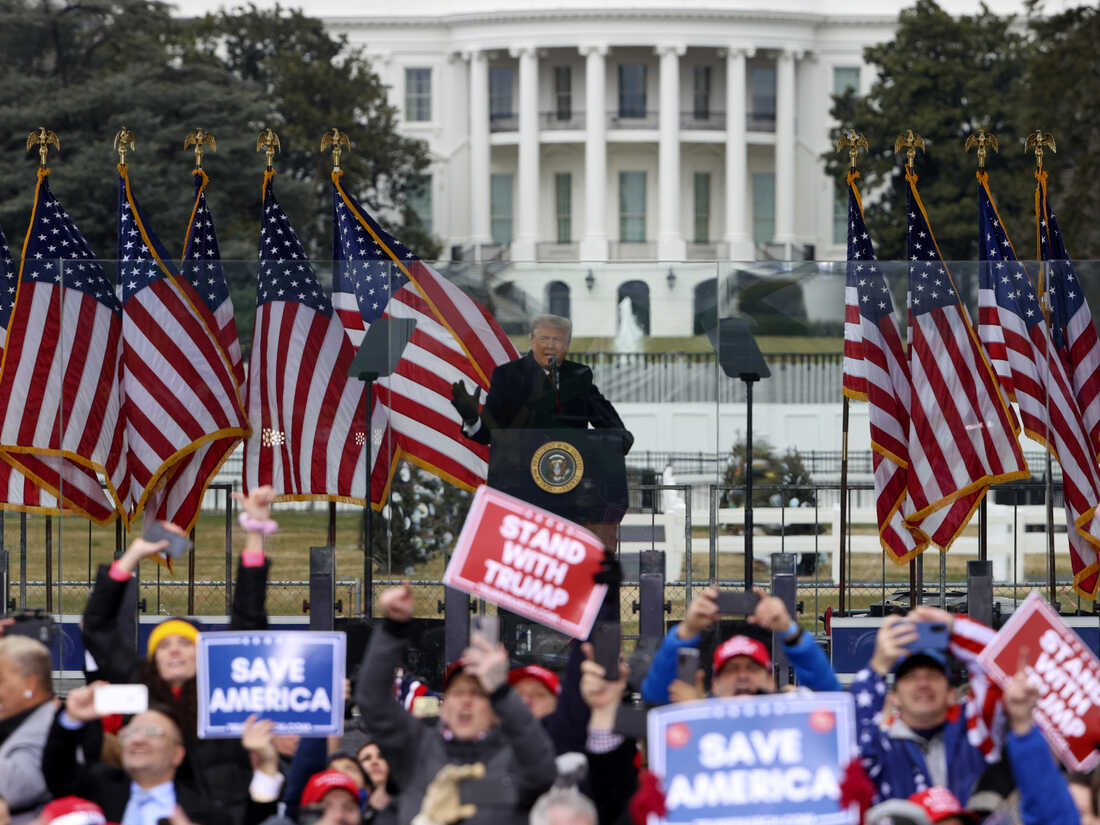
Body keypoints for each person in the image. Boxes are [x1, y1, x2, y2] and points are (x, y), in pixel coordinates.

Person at [79, 486, 277, 825]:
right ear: (152, 659)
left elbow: (249, 618)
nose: (174, 650)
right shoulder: (138, 683)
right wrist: (133, 556)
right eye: (165, 645)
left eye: (185, 644)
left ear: (202, 654)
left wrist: (255, 533)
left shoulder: (223, 689)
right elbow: (98, 626)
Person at [853, 605, 1078, 825]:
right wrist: (879, 666)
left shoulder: (974, 733)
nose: (922, 683)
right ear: (893, 697)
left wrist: (955, 628)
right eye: (910, 677)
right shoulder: (880, 747)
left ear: (952, 693)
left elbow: (999, 668)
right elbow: (851, 725)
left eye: (932, 675)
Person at [354, 584, 557, 825]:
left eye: (478, 694)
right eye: (458, 693)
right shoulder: (418, 750)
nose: (466, 701)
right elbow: (373, 701)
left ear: (495, 711)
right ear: (445, 704)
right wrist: (393, 629)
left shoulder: (512, 760)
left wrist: (501, 690)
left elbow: (541, 771)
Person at [450, 314, 632, 455]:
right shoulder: (507, 375)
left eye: (558, 340)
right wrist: (472, 419)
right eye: (544, 339)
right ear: (532, 341)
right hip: (519, 476)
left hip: (568, 477)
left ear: (567, 346)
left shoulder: (579, 376)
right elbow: (490, 433)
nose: (551, 346)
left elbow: (607, 421)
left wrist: (620, 437)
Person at [640, 586, 839, 704]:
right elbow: (654, 696)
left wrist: (788, 629)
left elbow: (831, 699)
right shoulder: (695, 711)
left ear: (771, 681)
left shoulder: (786, 710)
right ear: (715, 685)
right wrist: (687, 631)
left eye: (753, 668)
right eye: (732, 669)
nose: (743, 676)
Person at [0, 635, 55, 825]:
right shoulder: (18, 722)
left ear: (30, 684)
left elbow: (12, 788)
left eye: (0, 680)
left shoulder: (49, 729)